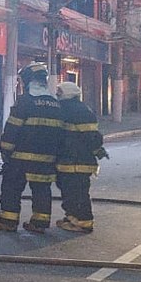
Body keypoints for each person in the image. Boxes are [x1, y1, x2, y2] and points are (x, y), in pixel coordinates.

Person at [0, 62, 64, 234]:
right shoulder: (56, 104)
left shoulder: (25, 102)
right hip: (46, 160)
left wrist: (5, 151)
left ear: (28, 80)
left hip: (20, 159)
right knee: (42, 190)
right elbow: (61, 135)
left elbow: (12, 129)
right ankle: (39, 224)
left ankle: (8, 222)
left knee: (11, 188)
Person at [54, 81, 108, 233]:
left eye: (59, 93)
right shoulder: (75, 109)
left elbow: (91, 137)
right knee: (70, 192)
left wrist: (97, 149)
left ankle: (84, 221)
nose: (57, 96)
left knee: (77, 193)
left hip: (76, 162)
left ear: (67, 94)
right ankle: (72, 217)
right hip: (69, 161)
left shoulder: (76, 111)